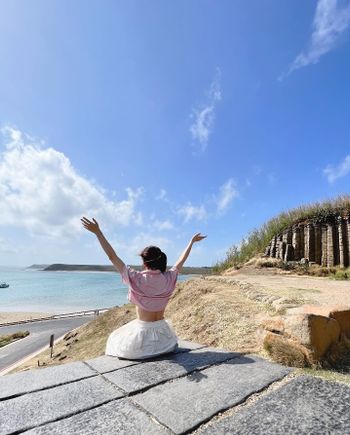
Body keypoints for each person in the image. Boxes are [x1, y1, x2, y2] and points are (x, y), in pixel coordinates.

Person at [81, 217, 206, 360]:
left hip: (142, 342)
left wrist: (98, 233)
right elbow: (181, 261)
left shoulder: (136, 278)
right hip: (165, 339)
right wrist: (191, 242)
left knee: (114, 339)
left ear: (144, 262)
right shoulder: (169, 277)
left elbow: (112, 256)